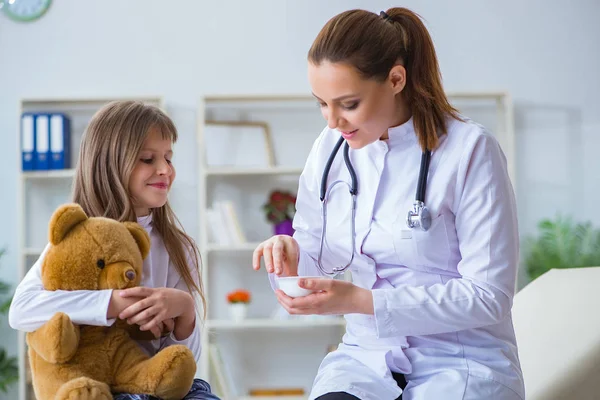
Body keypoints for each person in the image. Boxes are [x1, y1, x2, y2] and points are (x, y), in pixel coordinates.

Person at [252, 7, 525, 400]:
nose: (332, 122)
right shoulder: (330, 148)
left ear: (396, 79)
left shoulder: (469, 150)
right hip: (366, 359)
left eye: (348, 104)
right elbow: (318, 254)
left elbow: (490, 295)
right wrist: (292, 258)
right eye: (321, 104)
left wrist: (364, 301)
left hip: (460, 362)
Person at [9, 101, 219, 400]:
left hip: (149, 384)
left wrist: (184, 310)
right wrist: (114, 303)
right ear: (108, 164)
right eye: (148, 158)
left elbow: (183, 365)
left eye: (168, 158)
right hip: (99, 388)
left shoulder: (178, 247)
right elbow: (22, 310)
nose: (165, 170)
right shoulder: (76, 238)